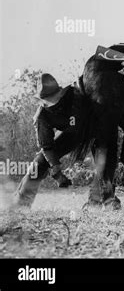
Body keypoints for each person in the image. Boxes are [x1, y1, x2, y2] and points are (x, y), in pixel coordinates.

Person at [11, 73, 84, 208]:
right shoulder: (42, 117)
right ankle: (21, 202)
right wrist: (57, 172)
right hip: (70, 134)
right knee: (40, 162)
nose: (52, 105)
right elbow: (47, 147)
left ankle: (105, 197)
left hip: (92, 127)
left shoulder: (75, 95)